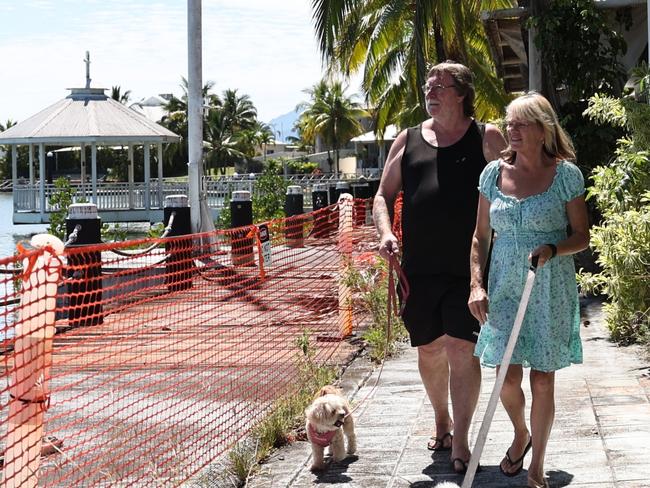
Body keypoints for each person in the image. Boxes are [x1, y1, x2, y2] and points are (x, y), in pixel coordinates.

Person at [373, 61, 507, 473]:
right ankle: (441, 420)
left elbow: (512, 186)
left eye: (440, 86)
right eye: (428, 85)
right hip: (418, 268)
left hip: (470, 268)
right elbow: (382, 195)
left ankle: (462, 441)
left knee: (460, 348)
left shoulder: (486, 137)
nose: (431, 92)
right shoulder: (408, 139)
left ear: (461, 92)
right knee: (429, 348)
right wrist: (385, 233)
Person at [468, 92, 589, 488]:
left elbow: (582, 236)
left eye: (520, 123)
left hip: (548, 284)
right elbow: (480, 236)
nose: (511, 130)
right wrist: (476, 285)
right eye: (509, 123)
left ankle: (537, 464)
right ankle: (521, 431)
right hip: (503, 283)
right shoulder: (492, 175)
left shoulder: (565, 175)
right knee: (505, 375)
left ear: (542, 130)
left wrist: (554, 248)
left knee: (542, 379)